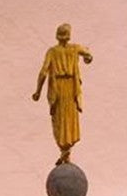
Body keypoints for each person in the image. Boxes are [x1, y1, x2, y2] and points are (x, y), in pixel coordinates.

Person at [32, 22, 93, 164]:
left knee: (60, 122)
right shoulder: (74, 48)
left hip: (62, 89)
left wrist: (38, 92)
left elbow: (43, 73)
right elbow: (88, 55)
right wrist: (87, 58)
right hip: (68, 88)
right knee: (66, 121)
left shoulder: (53, 52)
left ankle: (65, 153)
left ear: (57, 36)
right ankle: (65, 153)